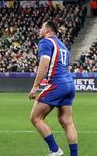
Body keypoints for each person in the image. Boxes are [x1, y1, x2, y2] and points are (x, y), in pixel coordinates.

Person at [28, 21, 78, 156]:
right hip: (69, 84)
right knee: (67, 122)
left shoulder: (46, 42)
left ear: (47, 30)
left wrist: (35, 86)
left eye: (42, 27)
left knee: (35, 118)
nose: (40, 29)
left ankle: (55, 150)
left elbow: (44, 64)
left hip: (57, 85)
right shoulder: (63, 46)